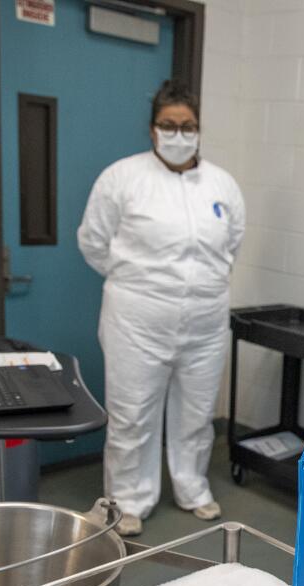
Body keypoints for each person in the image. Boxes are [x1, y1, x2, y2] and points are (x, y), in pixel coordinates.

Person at [78, 79, 245, 536]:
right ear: (152, 130)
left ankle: (192, 487)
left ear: (198, 129)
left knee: (196, 412)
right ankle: (128, 500)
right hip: (136, 320)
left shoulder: (222, 185)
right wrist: (140, 281)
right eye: (167, 125)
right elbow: (93, 242)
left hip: (206, 322)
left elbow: (232, 243)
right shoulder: (122, 178)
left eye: (187, 125)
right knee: (132, 414)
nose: (178, 133)